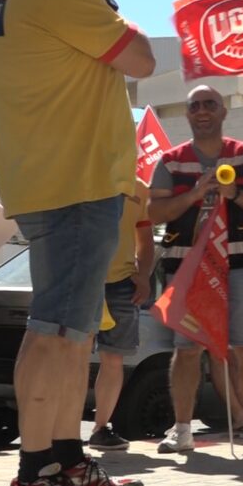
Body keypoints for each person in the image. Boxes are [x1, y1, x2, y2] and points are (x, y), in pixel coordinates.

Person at [0, 0, 153, 486]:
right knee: (55, 331)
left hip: (51, 180)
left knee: (73, 335)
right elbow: (142, 58)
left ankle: (67, 464)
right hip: (76, 182)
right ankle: (34, 477)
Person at [149, 85, 243, 455]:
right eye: (195, 106)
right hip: (187, 270)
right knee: (187, 349)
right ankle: (181, 430)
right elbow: (154, 213)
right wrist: (194, 194)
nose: (202, 111)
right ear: (187, 115)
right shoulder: (171, 161)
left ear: (223, 113)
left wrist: (234, 194)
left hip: (241, 266)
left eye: (210, 104)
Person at [88, 177, 154, 450]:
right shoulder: (84, 173)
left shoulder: (139, 187)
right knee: (74, 357)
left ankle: (101, 429)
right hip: (84, 279)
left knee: (113, 359)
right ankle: (61, 432)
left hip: (121, 284)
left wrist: (144, 276)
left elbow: (145, 238)